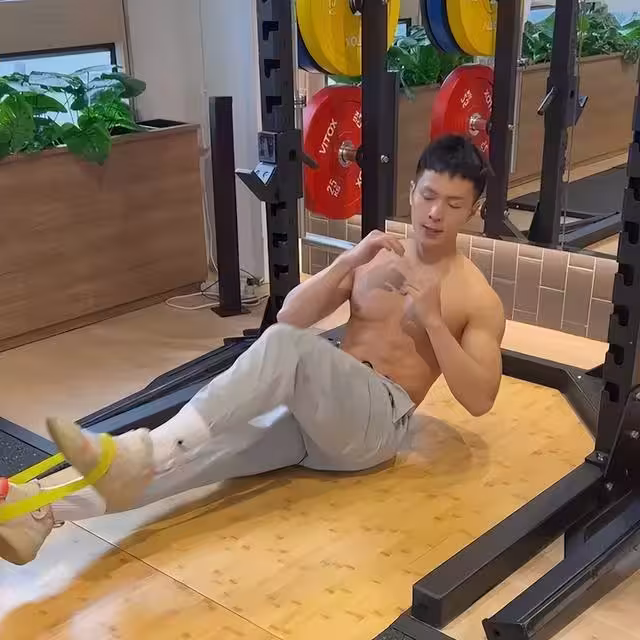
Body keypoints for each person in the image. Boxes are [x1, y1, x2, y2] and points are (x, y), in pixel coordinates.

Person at [0, 134, 505, 566]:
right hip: (319, 414)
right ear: (412, 190)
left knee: (284, 351)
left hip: (374, 429)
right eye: (428, 195)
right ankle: (41, 512)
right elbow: (290, 317)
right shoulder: (376, 257)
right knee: (200, 455)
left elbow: (480, 398)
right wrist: (348, 261)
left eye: (453, 204)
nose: (435, 213)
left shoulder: (475, 295)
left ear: (473, 210)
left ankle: (152, 446)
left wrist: (434, 323)